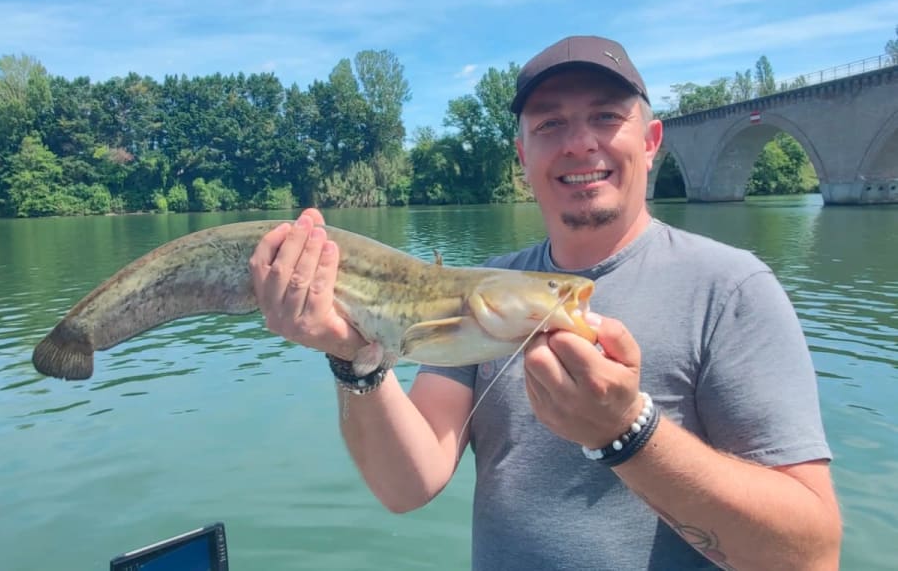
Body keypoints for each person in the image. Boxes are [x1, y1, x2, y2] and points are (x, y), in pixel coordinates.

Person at [249, 35, 842, 570]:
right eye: (550, 124)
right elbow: (408, 484)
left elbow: (810, 556)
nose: (580, 144)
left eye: (606, 117)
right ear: (522, 155)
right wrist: (355, 358)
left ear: (651, 140)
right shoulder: (482, 290)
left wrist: (629, 434)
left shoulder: (732, 288)